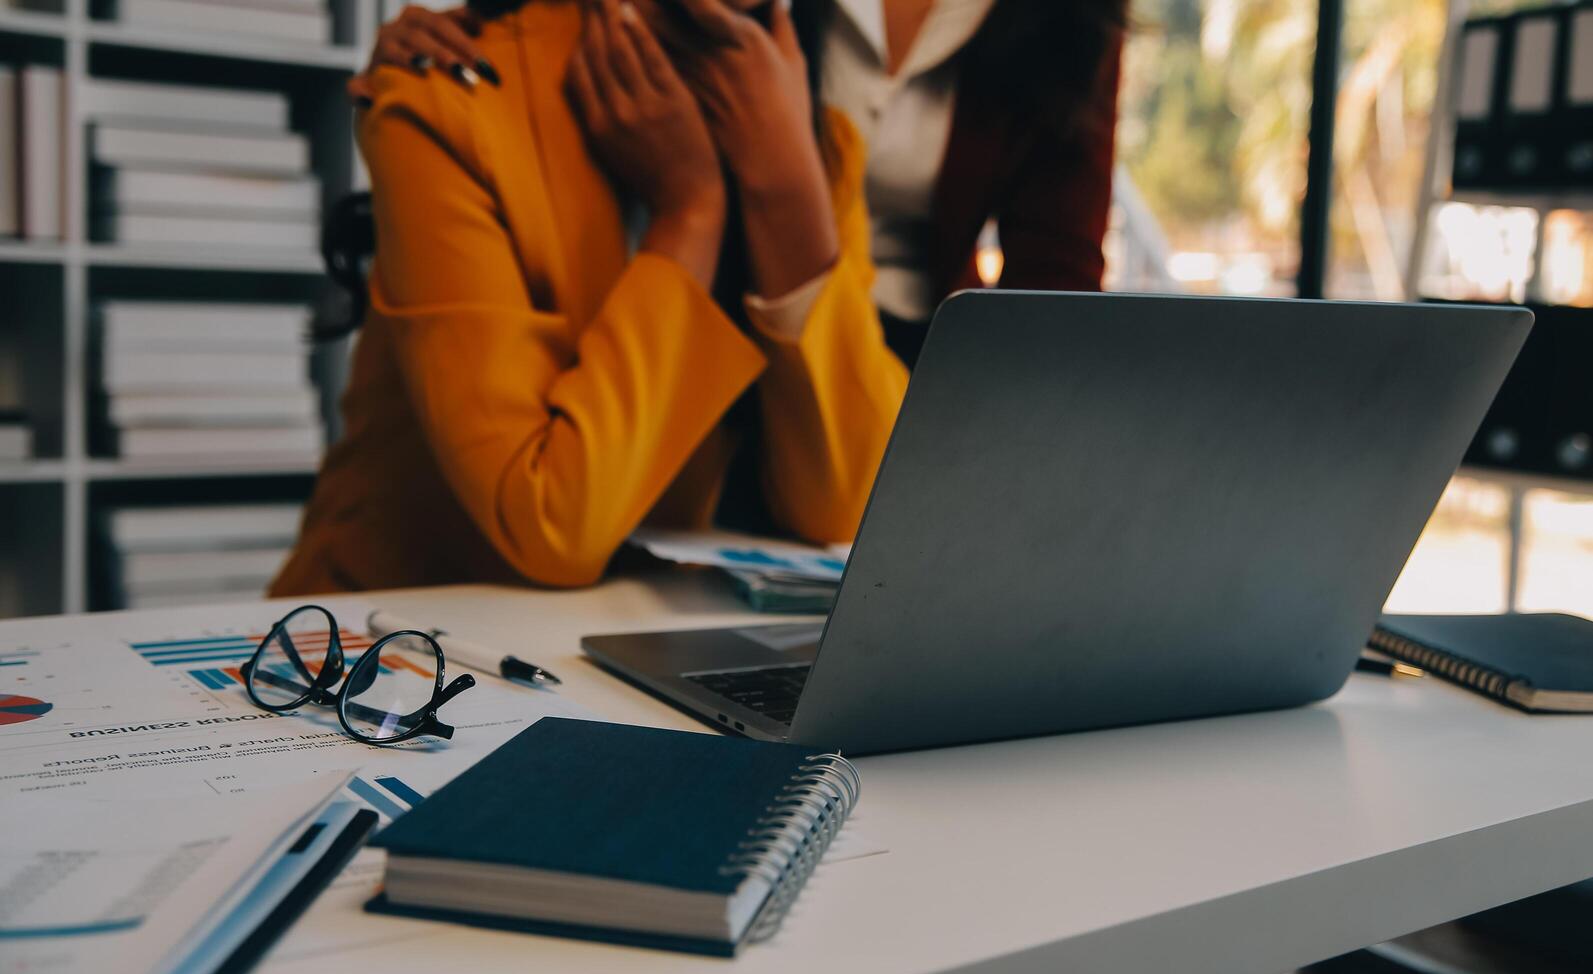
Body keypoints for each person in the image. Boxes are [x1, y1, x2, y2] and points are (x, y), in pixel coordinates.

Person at [269, 0, 908, 596]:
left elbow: (854, 510)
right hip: (375, 663)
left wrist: (787, 179)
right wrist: (692, 209)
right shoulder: (448, 93)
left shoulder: (808, 137)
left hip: (614, 648)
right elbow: (553, 528)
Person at [355, 0, 1127, 366]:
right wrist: (477, 36)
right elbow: (605, 31)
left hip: (923, 366)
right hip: (737, 308)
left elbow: (1056, 295)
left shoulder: (1071, 22)